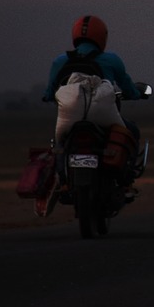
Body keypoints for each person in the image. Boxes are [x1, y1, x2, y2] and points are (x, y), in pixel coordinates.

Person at [43, 15, 144, 206]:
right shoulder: (111, 59)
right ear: (102, 37)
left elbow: (49, 93)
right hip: (103, 117)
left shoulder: (59, 61)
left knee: (59, 144)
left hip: (71, 119)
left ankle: (63, 182)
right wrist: (136, 94)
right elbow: (128, 88)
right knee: (131, 132)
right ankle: (126, 183)